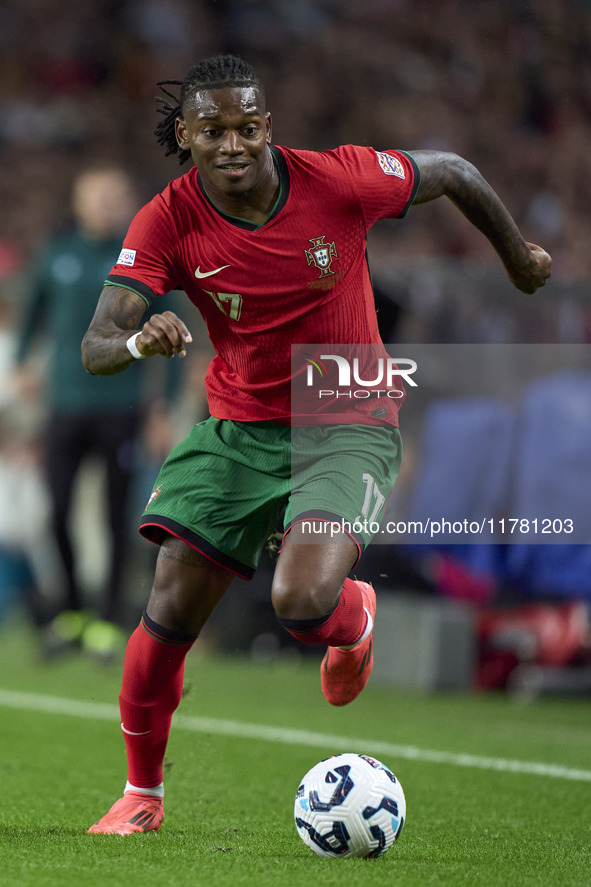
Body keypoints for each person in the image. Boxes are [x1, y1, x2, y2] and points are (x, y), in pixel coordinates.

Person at [82, 55, 551, 835]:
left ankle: (352, 620)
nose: (231, 143)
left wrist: (518, 258)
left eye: (245, 126)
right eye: (212, 130)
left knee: (300, 602)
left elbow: (456, 170)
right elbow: (97, 343)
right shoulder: (166, 219)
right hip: (238, 428)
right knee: (163, 611)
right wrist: (137, 341)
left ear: (266, 126)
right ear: (185, 136)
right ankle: (141, 793)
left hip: (347, 418)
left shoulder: (341, 180)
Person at [15, 167, 143, 655]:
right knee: (57, 510)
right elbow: (33, 313)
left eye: (114, 196)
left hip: (121, 403)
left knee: (116, 517)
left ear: (126, 201)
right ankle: (69, 608)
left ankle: (109, 619)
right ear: (79, 201)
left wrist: (162, 406)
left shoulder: (139, 258)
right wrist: (25, 361)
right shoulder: (56, 253)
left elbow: (166, 325)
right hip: (65, 403)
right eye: (97, 196)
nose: (105, 205)